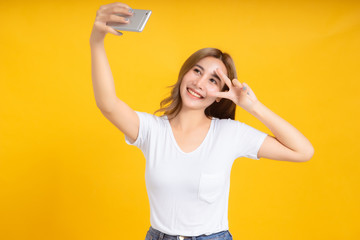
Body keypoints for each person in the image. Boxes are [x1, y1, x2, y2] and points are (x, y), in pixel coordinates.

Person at [90, 3, 315, 240]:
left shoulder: (229, 133)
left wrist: (252, 106)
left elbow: (303, 151)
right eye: (197, 71)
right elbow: (108, 104)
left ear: (220, 93)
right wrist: (96, 41)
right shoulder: (152, 131)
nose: (199, 83)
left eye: (213, 80)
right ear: (184, 74)